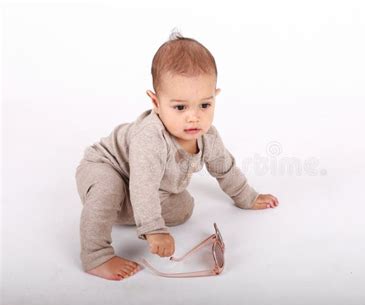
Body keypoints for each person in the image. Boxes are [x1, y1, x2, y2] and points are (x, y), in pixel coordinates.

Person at [75, 31, 279, 281]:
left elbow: (224, 169)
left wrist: (247, 197)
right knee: (108, 190)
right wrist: (154, 230)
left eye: (204, 105)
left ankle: (127, 208)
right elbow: (143, 186)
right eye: (180, 107)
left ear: (215, 97)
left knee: (184, 208)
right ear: (156, 101)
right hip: (106, 167)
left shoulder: (208, 136)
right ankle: (96, 256)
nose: (194, 117)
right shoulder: (150, 138)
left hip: (143, 187)